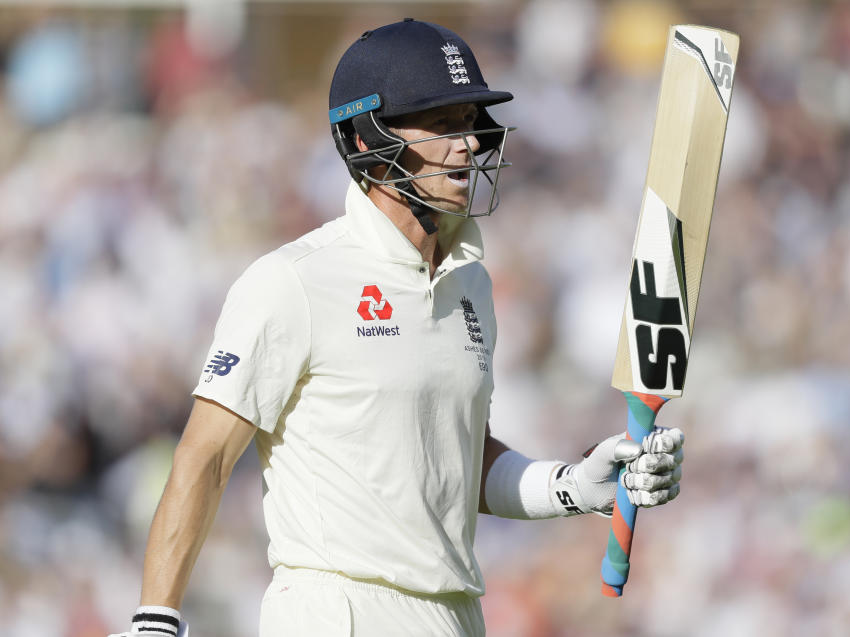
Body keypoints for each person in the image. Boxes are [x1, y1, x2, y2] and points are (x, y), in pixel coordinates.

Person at [111, 19, 684, 637]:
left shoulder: (472, 286)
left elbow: (462, 465)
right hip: (339, 612)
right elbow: (205, 459)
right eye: (440, 125)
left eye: (468, 123)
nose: (465, 145)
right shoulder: (294, 281)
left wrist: (572, 486)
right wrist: (155, 619)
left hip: (456, 614)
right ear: (364, 137)